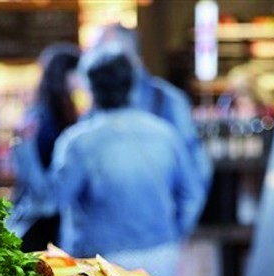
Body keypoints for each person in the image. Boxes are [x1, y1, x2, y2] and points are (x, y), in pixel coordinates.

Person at [49, 45, 206, 276]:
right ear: (133, 84)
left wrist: (24, 153)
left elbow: (55, 199)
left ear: (90, 89)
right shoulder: (165, 133)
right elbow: (192, 193)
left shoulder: (77, 142)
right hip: (161, 256)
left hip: (99, 262)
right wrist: (173, 235)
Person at [91, 23, 212, 187]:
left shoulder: (168, 100)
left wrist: (176, 212)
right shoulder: (97, 104)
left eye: (103, 53)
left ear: (132, 57)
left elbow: (196, 167)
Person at [6, 43, 83, 251]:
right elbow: (32, 175)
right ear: (66, 74)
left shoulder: (55, 112)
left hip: (49, 215)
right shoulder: (42, 117)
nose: (82, 80)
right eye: (78, 72)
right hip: (42, 215)